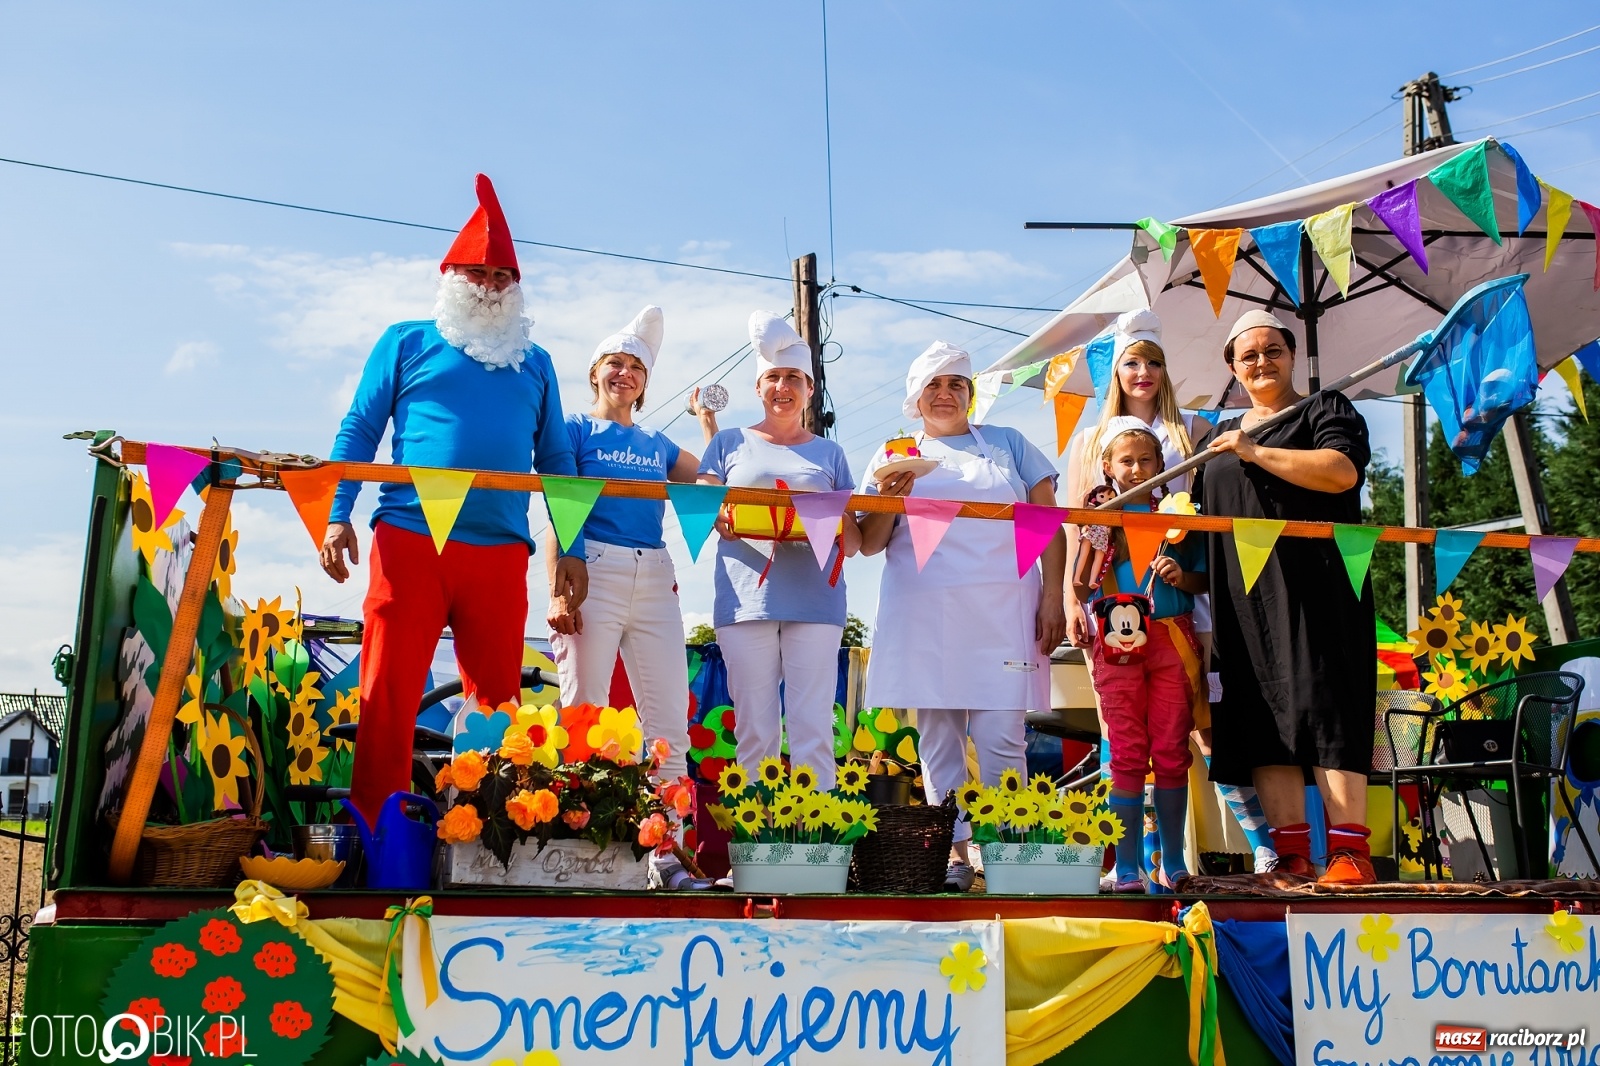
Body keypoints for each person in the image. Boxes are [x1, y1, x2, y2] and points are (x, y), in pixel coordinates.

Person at [319, 174, 587, 826]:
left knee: (497, 708)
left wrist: (571, 548)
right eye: (478, 272)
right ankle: (375, 843)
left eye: (502, 276)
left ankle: (484, 841)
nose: (490, 285)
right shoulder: (405, 341)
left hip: (499, 552)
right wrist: (336, 513)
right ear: (451, 274)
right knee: (386, 694)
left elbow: (556, 460)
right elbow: (359, 428)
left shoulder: (538, 362)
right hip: (409, 540)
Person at [1065, 309, 1276, 874]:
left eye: (1153, 361)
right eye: (1131, 361)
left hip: (1183, 604)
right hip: (1115, 611)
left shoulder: (1192, 431)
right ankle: (1135, 862)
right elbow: (1076, 538)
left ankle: (1255, 846)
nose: (1143, 372)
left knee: (1191, 731)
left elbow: (1211, 516)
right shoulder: (1089, 443)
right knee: (1124, 738)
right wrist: (1070, 602)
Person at [860, 341, 1065, 892]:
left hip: (1005, 610)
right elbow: (868, 544)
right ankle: (951, 855)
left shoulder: (1009, 444)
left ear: (972, 395)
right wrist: (889, 497)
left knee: (1003, 738)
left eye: (957, 385)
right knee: (939, 742)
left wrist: (1054, 599)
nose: (946, 394)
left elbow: (1048, 524)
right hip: (924, 613)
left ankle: (1008, 852)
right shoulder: (892, 452)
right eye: (935, 384)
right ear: (915, 396)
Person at [1193, 309, 1377, 886]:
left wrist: (1256, 451)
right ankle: (1292, 856)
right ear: (1232, 367)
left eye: (1272, 350)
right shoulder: (1214, 443)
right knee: (1262, 720)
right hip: (1243, 604)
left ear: (1292, 356)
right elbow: (1206, 528)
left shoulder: (1326, 409)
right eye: (1248, 355)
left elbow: (1340, 472)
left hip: (1321, 591)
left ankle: (1351, 855)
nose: (1262, 362)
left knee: (1329, 712)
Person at [547, 306, 720, 889]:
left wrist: (708, 427)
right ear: (595, 372)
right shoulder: (572, 429)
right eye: (614, 364)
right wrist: (557, 588)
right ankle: (580, 853)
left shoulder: (655, 440)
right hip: (591, 567)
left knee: (669, 720)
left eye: (636, 368)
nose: (625, 374)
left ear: (646, 384)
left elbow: (713, 482)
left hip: (655, 574)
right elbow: (556, 504)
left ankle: (668, 856)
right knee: (585, 713)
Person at [698, 311, 859, 792]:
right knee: (753, 732)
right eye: (773, 377)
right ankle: (752, 853)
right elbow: (702, 500)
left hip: (818, 602)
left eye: (794, 378)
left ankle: (816, 850)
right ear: (758, 387)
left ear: (810, 389)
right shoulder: (727, 443)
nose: (782, 386)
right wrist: (716, 513)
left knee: (814, 730)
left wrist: (832, 515)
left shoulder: (831, 454)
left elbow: (851, 538)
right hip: (746, 603)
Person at [1072, 417, 1206, 892]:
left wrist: (1177, 573)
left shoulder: (1179, 516)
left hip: (1172, 637)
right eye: (1125, 460)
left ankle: (1173, 861)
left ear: (1161, 464)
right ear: (1107, 465)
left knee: (1171, 750)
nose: (1135, 468)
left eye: (1145, 459)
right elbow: (1082, 582)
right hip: (1117, 638)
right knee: (1126, 752)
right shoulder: (1098, 519)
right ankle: (1125, 865)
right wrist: (1103, 535)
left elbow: (1202, 578)